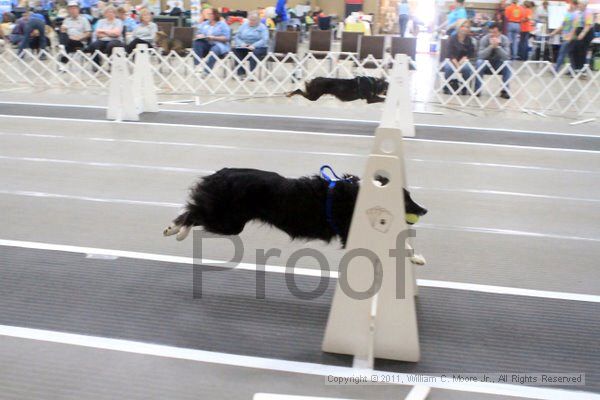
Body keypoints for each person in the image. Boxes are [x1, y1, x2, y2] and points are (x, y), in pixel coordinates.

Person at [475, 22, 511, 99]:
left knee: (507, 63)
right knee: (479, 62)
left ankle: (505, 90)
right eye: (490, 32)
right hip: (486, 63)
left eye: (494, 32)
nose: (492, 34)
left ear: (500, 32)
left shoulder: (505, 39)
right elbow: (480, 55)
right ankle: (477, 89)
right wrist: (491, 46)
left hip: (499, 64)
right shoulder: (484, 39)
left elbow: (507, 56)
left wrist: (498, 47)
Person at [443, 20, 475, 95]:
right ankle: (447, 86)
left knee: (467, 68)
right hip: (451, 61)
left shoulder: (469, 40)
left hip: (463, 61)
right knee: (449, 68)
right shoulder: (452, 38)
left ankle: (465, 87)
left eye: (467, 27)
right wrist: (457, 64)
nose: (465, 29)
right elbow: (449, 53)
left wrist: (465, 58)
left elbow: (471, 52)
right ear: (459, 27)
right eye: (463, 26)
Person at [233, 11, 268, 78]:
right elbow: (237, 37)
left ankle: (252, 73)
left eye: (254, 20)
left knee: (255, 52)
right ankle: (241, 73)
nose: (251, 21)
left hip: (259, 47)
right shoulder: (244, 25)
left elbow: (264, 39)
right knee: (236, 50)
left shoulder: (262, 27)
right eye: (250, 20)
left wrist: (254, 45)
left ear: (258, 20)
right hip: (245, 46)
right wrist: (242, 44)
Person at [59, 0, 91, 66]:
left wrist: (79, 37)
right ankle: (63, 48)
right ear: (68, 10)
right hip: (68, 40)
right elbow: (63, 32)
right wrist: (63, 30)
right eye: (70, 9)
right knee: (62, 34)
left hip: (79, 41)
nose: (72, 10)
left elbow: (88, 33)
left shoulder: (84, 19)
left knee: (65, 45)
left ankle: (63, 58)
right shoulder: (66, 20)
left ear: (78, 9)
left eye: (74, 8)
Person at [550, 0, 578, 72]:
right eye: (570, 4)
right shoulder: (568, 14)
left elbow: (575, 27)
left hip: (570, 38)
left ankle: (556, 69)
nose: (570, 6)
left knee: (562, 53)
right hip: (566, 37)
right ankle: (573, 70)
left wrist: (570, 37)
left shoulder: (576, 15)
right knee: (570, 54)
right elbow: (563, 25)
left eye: (572, 4)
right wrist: (554, 32)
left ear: (576, 5)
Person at [571, 0, 594, 73]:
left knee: (582, 51)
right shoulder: (579, 12)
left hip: (587, 33)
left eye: (580, 4)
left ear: (584, 5)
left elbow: (588, 26)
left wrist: (582, 34)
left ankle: (583, 70)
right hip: (580, 31)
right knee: (575, 50)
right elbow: (576, 24)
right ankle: (577, 68)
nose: (578, 5)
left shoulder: (588, 12)